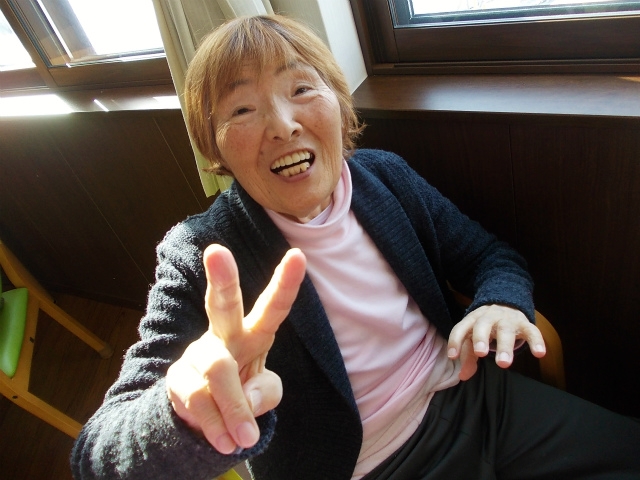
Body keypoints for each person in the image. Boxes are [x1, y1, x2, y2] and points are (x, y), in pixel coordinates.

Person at [71, 14, 640, 480]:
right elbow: (97, 455)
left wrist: (500, 302)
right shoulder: (200, 254)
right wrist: (181, 414)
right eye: (242, 110)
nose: (283, 125)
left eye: (301, 89)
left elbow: (489, 256)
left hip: (476, 399)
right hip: (364, 466)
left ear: (339, 106)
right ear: (214, 148)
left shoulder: (382, 176)